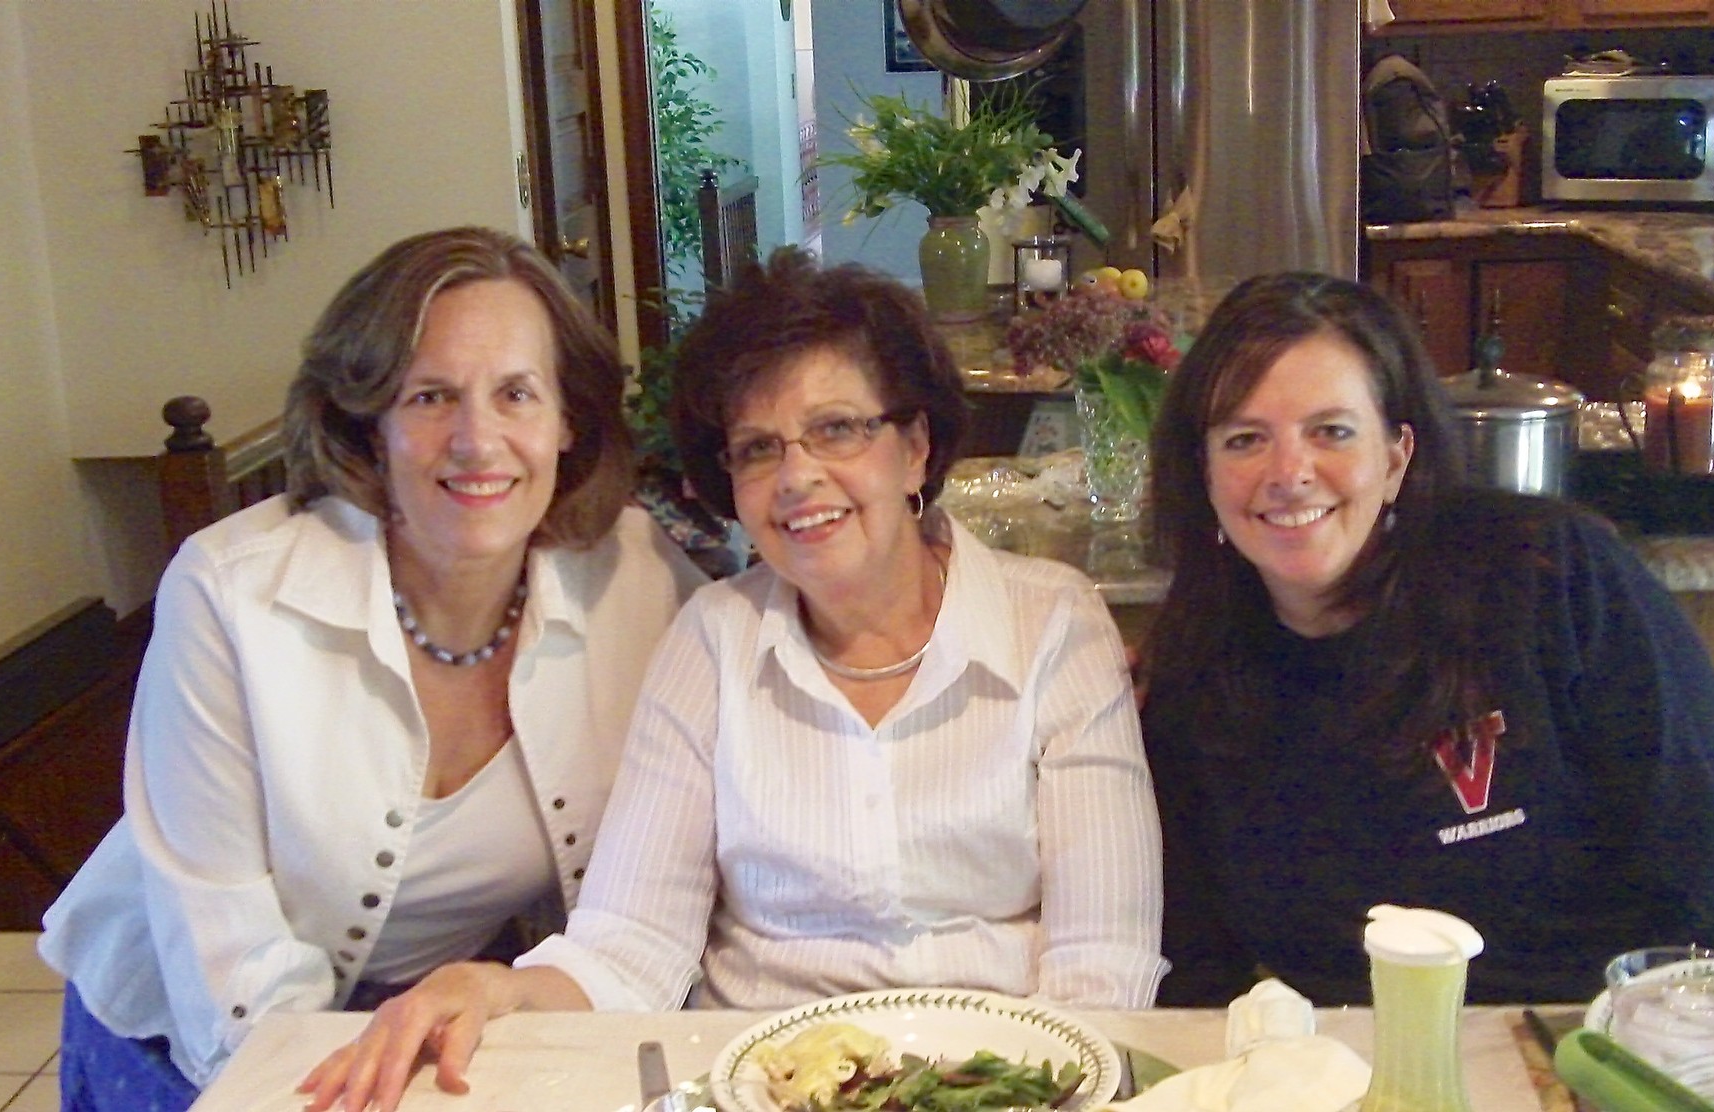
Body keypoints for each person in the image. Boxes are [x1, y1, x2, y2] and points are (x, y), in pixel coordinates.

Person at [302, 247, 1165, 1112]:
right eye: (758, 448)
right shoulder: (712, 641)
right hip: (755, 1089)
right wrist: (498, 989)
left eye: (837, 429)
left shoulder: (1053, 626)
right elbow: (631, 941)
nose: (797, 478)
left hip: (1002, 1087)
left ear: (915, 448)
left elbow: (1102, 961)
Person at [38, 226, 705, 1109]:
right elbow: (222, 951)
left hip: (438, 1012)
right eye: (430, 396)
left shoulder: (637, 575)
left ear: (566, 421)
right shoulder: (232, 595)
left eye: (516, 394)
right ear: (369, 422)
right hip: (185, 1022)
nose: (478, 440)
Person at [1141, 270, 1714, 1007]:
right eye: (1245, 439)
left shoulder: (1555, 581)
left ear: (1396, 458)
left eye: (1332, 432)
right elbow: (1195, 971)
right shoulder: (1191, 681)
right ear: (1203, 474)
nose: (1289, 473)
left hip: (1601, 1051)